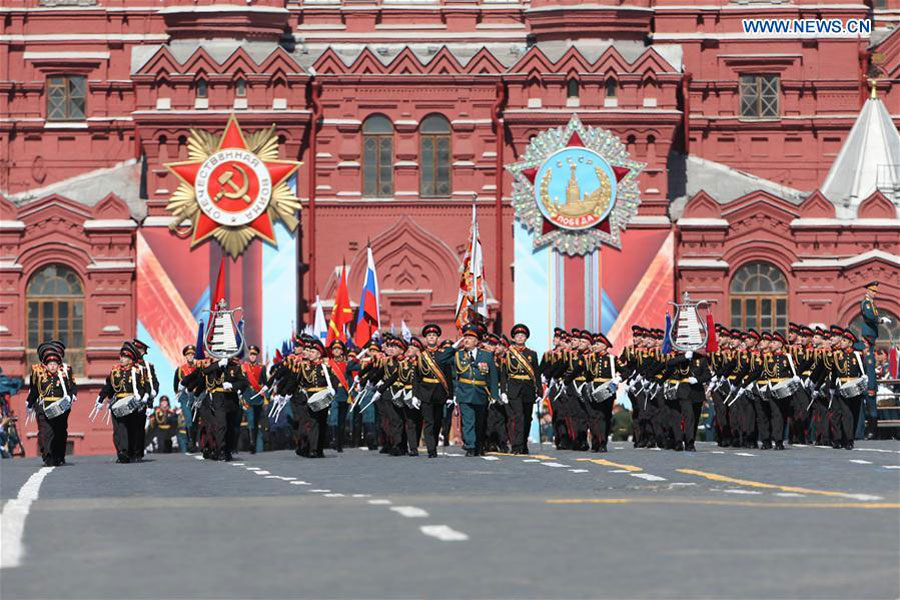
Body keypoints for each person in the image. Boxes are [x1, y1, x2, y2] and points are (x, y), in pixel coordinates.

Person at [436, 323, 499, 457]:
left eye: (470, 337)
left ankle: (478, 445)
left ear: (477, 341)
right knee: (468, 421)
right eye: (465, 337)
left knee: (480, 422)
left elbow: (493, 376)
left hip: (481, 393)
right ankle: (470, 446)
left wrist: (494, 395)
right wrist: (453, 346)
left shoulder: (486, 355)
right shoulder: (458, 355)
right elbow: (440, 360)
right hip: (464, 393)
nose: (467, 340)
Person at [95, 341, 150, 463]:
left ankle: (133, 453)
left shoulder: (139, 371)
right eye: (121, 356)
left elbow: (145, 387)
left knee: (133, 429)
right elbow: (108, 386)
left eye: (125, 357)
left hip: (133, 403)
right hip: (117, 402)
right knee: (119, 430)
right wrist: (100, 399)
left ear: (131, 359)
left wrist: (143, 399)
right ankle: (122, 452)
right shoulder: (115, 371)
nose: (122, 359)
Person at [26, 342, 77, 466]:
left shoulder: (64, 372)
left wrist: (71, 397)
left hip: (61, 406)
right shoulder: (39, 373)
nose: (53, 366)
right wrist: (29, 402)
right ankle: (47, 455)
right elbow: (35, 389)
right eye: (50, 363)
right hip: (44, 406)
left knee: (60, 431)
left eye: (55, 363)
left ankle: (58, 455)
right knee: (45, 431)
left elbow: (71, 386)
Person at [414, 323, 452, 458]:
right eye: (429, 335)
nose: (431, 337)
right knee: (429, 422)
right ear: (425, 339)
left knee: (437, 421)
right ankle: (431, 450)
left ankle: (434, 444)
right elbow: (416, 377)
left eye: (434, 335)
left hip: (440, 392)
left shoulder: (443, 355)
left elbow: (448, 376)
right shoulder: (421, 356)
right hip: (425, 392)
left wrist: (450, 395)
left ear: (437, 338)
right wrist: (415, 395)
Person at [860, 281, 891, 439]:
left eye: (875, 291)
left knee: (872, 404)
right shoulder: (866, 303)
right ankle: (871, 429)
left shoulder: (870, 352)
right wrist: (880, 321)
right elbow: (869, 316)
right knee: (869, 404)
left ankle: (873, 430)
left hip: (869, 387)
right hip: (866, 386)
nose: (874, 293)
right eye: (872, 290)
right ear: (867, 290)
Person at [504, 323, 541, 455]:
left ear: (526, 338)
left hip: (528, 389)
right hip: (514, 388)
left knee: (527, 418)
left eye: (522, 335)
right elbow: (504, 374)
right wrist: (503, 391)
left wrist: (540, 392)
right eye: (517, 335)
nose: (520, 337)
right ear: (513, 338)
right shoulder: (508, 354)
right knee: (518, 416)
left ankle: (524, 444)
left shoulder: (532, 354)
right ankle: (516, 445)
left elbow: (537, 373)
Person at [241, 345, 268, 454]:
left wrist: (266, 396)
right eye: (251, 354)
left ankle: (256, 443)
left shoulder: (261, 367)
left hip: (258, 397)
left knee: (257, 421)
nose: (252, 356)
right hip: (248, 396)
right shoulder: (244, 367)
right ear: (248, 355)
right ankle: (252, 444)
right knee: (251, 420)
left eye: (254, 355)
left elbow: (265, 383)